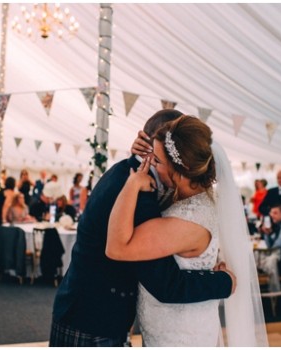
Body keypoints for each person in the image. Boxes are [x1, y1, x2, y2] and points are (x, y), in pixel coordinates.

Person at [50, 110, 243, 347]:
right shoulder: (138, 188)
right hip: (92, 317)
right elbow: (165, 282)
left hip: (109, 315)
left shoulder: (137, 176)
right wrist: (223, 282)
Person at [105, 114, 266, 345]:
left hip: (180, 335)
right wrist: (138, 155)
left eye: (157, 161)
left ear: (183, 167)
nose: (151, 165)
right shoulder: (186, 198)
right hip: (168, 326)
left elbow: (117, 248)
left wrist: (131, 185)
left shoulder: (190, 218)